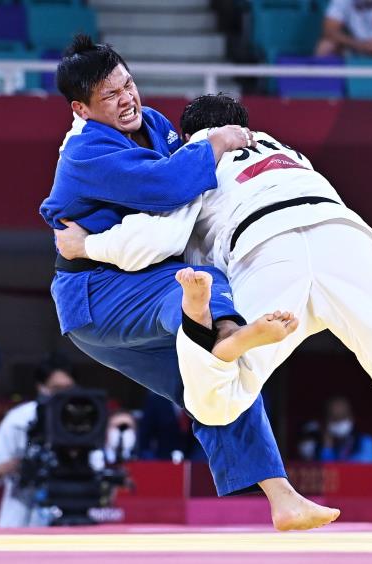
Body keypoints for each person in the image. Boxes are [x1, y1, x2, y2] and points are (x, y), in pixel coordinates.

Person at [55, 93, 372, 523]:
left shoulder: (198, 156)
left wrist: (87, 244)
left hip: (268, 250)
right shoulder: (286, 151)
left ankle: (229, 342)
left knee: (215, 398)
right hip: (345, 238)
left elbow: (159, 239)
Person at [40, 35, 339, 531]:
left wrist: (196, 160)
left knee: (214, 384)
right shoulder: (86, 152)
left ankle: (284, 500)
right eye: (110, 96)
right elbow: (171, 186)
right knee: (200, 285)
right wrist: (215, 142)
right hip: (98, 292)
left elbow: (183, 189)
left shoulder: (153, 123)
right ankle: (221, 330)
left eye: (128, 84)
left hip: (136, 283)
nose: (127, 98)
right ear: (81, 107)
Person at [0, 355, 76, 528]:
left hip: (68, 513)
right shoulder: (18, 419)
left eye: (68, 388)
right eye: (56, 388)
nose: (63, 395)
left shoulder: (82, 420)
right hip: (21, 513)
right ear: (41, 387)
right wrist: (17, 465)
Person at [139, 391, 203, 462]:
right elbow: (145, 432)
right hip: (163, 458)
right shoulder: (156, 400)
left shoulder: (197, 401)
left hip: (192, 458)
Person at [319, 397, 372, 463]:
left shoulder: (366, 441)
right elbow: (325, 469)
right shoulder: (319, 444)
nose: (339, 422)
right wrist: (327, 448)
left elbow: (368, 463)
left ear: (351, 417)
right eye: (335, 418)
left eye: (343, 416)